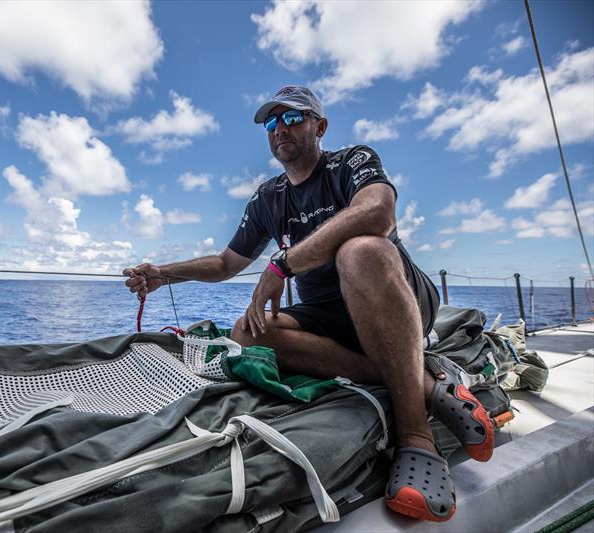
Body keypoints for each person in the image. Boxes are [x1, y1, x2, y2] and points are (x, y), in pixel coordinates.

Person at [123, 85, 494, 522]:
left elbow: (378, 212)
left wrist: (281, 265)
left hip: (398, 297)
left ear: (320, 126)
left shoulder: (350, 161)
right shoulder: (268, 198)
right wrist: (162, 273)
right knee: (246, 331)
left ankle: (415, 436)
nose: (281, 128)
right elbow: (226, 263)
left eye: (293, 118)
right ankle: (430, 384)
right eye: (272, 122)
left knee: (361, 252)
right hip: (328, 318)